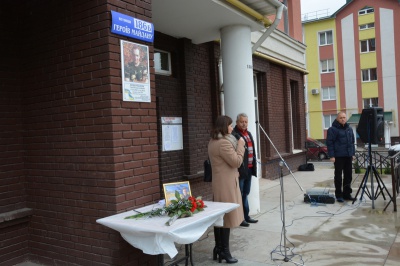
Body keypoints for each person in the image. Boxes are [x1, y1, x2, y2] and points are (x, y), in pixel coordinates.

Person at [208, 115, 245, 264]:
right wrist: (241, 145)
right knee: (226, 218)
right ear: (224, 126)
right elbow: (236, 161)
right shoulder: (223, 143)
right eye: (230, 125)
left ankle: (218, 248)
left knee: (220, 218)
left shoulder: (213, 140)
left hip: (221, 182)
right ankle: (225, 252)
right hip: (226, 184)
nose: (231, 128)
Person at [232, 113, 258, 227]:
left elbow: (252, 151)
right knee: (240, 194)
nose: (244, 124)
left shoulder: (249, 134)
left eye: (246, 122)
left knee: (246, 193)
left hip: (250, 169)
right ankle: (241, 218)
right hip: (241, 170)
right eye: (242, 122)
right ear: (237, 122)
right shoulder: (234, 135)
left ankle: (246, 216)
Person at [326, 111, 356, 203]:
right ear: (337, 119)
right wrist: (332, 156)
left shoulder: (349, 129)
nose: (343, 119)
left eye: (344, 117)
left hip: (348, 156)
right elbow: (330, 143)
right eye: (341, 118)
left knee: (348, 176)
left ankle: (347, 194)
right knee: (338, 177)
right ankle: (339, 195)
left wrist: (353, 154)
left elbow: (352, 142)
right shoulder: (332, 129)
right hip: (338, 156)